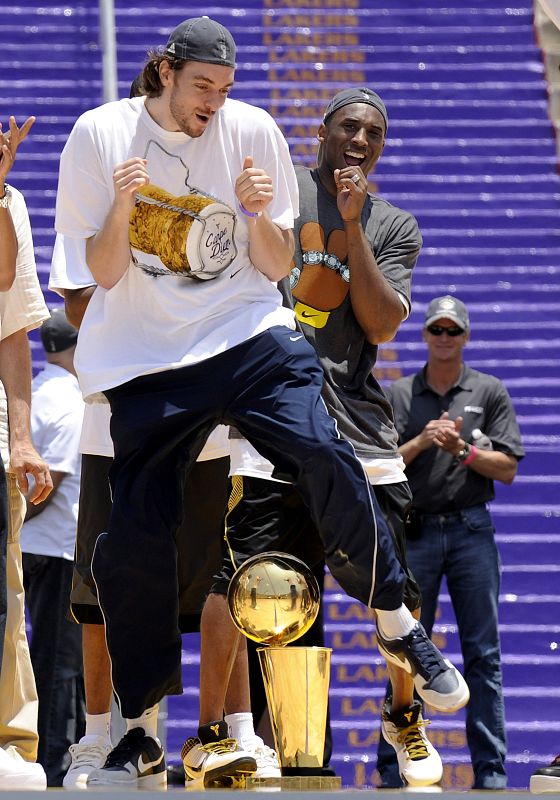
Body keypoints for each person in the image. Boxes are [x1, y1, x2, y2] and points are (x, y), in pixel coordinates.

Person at [55, 17, 468, 789]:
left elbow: (278, 264)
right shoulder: (101, 134)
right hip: (149, 366)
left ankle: (396, 619)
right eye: (202, 87)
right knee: (134, 539)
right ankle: (133, 731)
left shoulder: (251, 131)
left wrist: (255, 214)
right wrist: (123, 205)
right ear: (166, 73)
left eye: (226, 89)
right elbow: (101, 276)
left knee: (320, 443)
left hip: (248, 337)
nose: (215, 103)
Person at [183, 87, 444, 789]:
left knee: (399, 591)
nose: (361, 140)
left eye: (374, 134)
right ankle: (221, 734)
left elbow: (383, 324)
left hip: (359, 428)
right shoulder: (286, 185)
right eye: (349, 126)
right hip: (268, 416)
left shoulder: (394, 224)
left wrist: (353, 227)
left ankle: (403, 716)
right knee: (249, 582)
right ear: (322, 131)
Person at [48, 241, 231, 790]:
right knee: (102, 587)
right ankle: (106, 737)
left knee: (207, 586)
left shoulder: (217, 197)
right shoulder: (105, 190)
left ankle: (213, 735)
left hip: (202, 432)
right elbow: (77, 307)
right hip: (113, 426)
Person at [377, 295, 524, 790]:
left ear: (465, 336)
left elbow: (507, 468)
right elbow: (379, 464)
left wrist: (461, 448)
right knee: (405, 649)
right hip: (415, 529)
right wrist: (422, 440)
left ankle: (491, 771)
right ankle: (392, 765)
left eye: (452, 331)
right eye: (436, 330)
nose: (444, 338)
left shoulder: (489, 390)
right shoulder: (400, 394)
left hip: (470, 531)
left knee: (483, 653)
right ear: (425, 335)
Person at [0, 114, 53, 791]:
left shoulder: (8, 203)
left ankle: (10, 737)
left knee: (5, 589)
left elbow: (10, 329)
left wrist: (21, 437)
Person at [21, 310, 85, 786]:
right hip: (60, 551)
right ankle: (54, 765)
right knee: (59, 664)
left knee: (44, 658)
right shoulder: (71, 404)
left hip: (32, 548)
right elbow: (45, 489)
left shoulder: (38, 395)